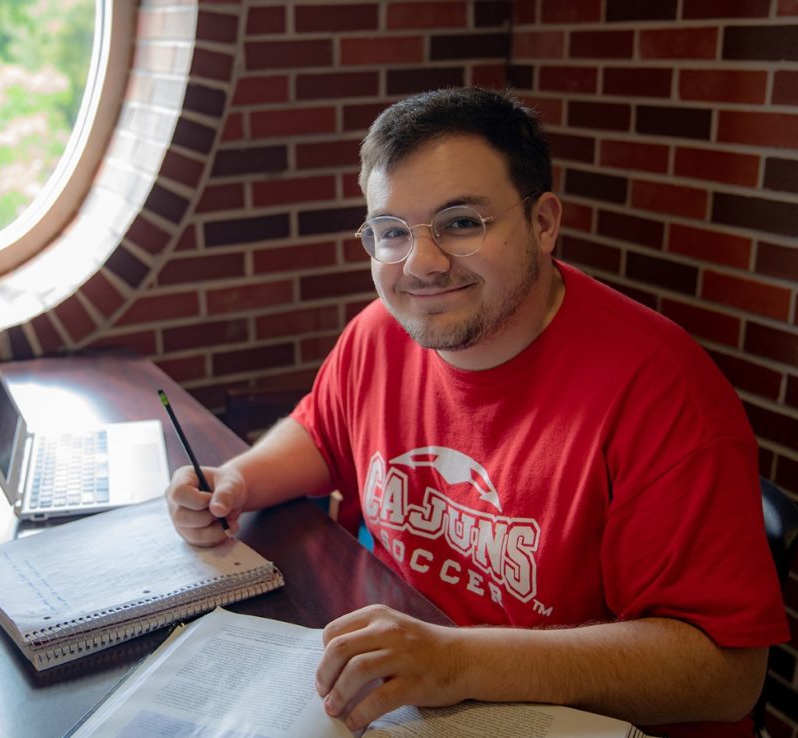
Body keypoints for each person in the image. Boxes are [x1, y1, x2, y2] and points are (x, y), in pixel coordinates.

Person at [165, 87, 788, 738]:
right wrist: (236, 480)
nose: (422, 264)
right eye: (391, 233)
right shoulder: (382, 331)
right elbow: (323, 431)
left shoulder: (662, 389)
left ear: (544, 223)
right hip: (422, 694)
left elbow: (727, 673)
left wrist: (458, 661)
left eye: (462, 222)